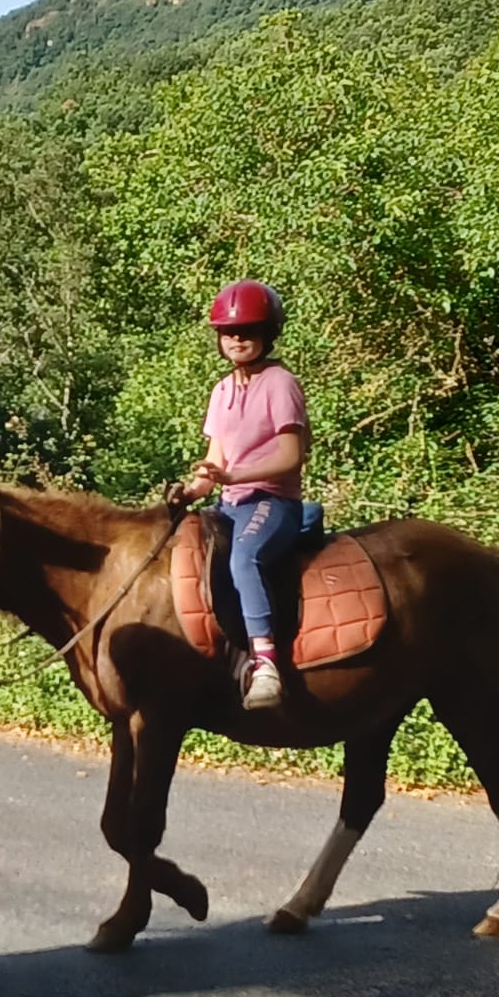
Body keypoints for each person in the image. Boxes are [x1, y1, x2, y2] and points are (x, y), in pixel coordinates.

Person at [181, 279, 310, 710]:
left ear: (267, 334)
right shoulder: (220, 391)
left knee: (244, 557)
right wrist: (194, 488)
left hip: (273, 502)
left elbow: (292, 456)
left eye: (249, 330)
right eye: (229, 331)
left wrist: (235, 476)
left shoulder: (280, 382)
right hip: (229, 503)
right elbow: (213, 461)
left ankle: (267, 663)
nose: (237, 338)